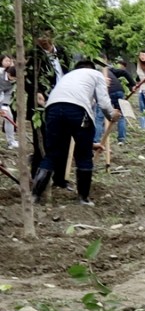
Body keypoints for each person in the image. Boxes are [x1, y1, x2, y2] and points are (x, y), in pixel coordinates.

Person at [32, 58, 118, 206]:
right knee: (83, 155)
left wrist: (91, 143)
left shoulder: (67, 77)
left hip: (52, 109)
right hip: (78, 109)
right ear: (92, 68)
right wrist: (112, 115)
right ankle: (83, 198)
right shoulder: (96, 74)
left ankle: (34, 196)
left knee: (52, 153)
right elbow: (103, 102)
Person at [24, 29, 67, 171]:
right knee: (41, 141)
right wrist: (36, 92)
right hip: (41, 105)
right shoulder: (33, 54)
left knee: (63, 140)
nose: (42, 39)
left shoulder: (62, 52)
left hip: (63, 100)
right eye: (39, 36)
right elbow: (26, 78)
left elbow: (69, 72)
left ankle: (60, 178)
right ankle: (37, 177)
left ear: (52, 36)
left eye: (45, 35)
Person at [0, 58, 16, 149]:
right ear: (9, 73)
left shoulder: (13, 81)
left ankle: (11, 141)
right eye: (12, 77)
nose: (13, 80)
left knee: (9, 117)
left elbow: (8, 93)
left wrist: (4, 107)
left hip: (2, 99)